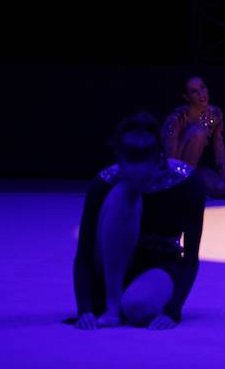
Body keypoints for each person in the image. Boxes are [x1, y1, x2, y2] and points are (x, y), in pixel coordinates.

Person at [72, 112, 206, 329]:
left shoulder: (187, 184)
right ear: (120, 165)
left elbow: (190, 258)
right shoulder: (106, 183)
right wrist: (84, 308)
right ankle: (112, 306)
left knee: (137, 307)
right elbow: (84, 254)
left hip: (161, 264)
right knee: (124, 194)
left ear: (159, 162)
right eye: (129, 176)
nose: (139, 184)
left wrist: (173, 310)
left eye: (144, 178)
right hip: (111, 269)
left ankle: (127, 300)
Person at [162, 76, 225, 198]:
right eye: (194, 92)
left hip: (194, 168)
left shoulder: (215, 114)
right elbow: (169, 156)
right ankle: (184, 187)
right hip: (175, 170)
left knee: (221, 188)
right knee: (198, 133)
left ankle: (193, 184)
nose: (201, 94)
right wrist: (170, 182)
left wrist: (223, 173)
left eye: (203, 88)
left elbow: (219, 145)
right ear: (186, 97)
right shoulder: (177, 119)